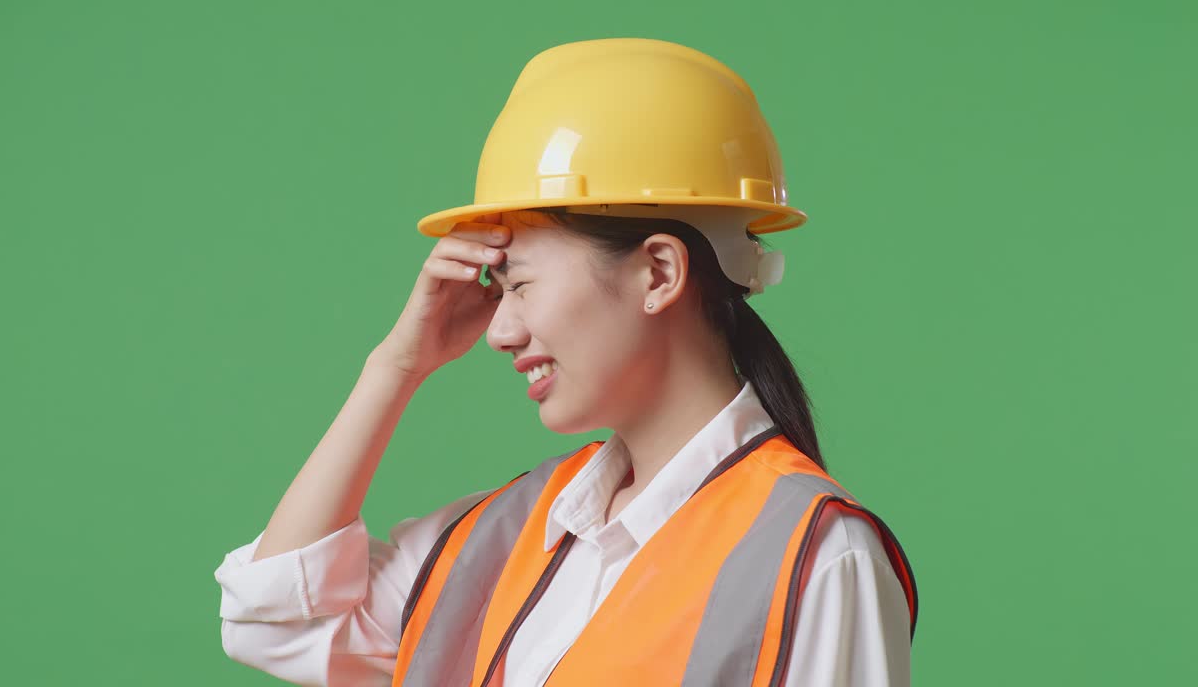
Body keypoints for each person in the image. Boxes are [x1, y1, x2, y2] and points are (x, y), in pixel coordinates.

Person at [214, 38, 918, 686]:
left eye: (519, 284)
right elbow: (275, 616)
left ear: (659, 273)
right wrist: (395, 366)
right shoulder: (512, 532)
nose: (498, 331)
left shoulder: (818, 555)